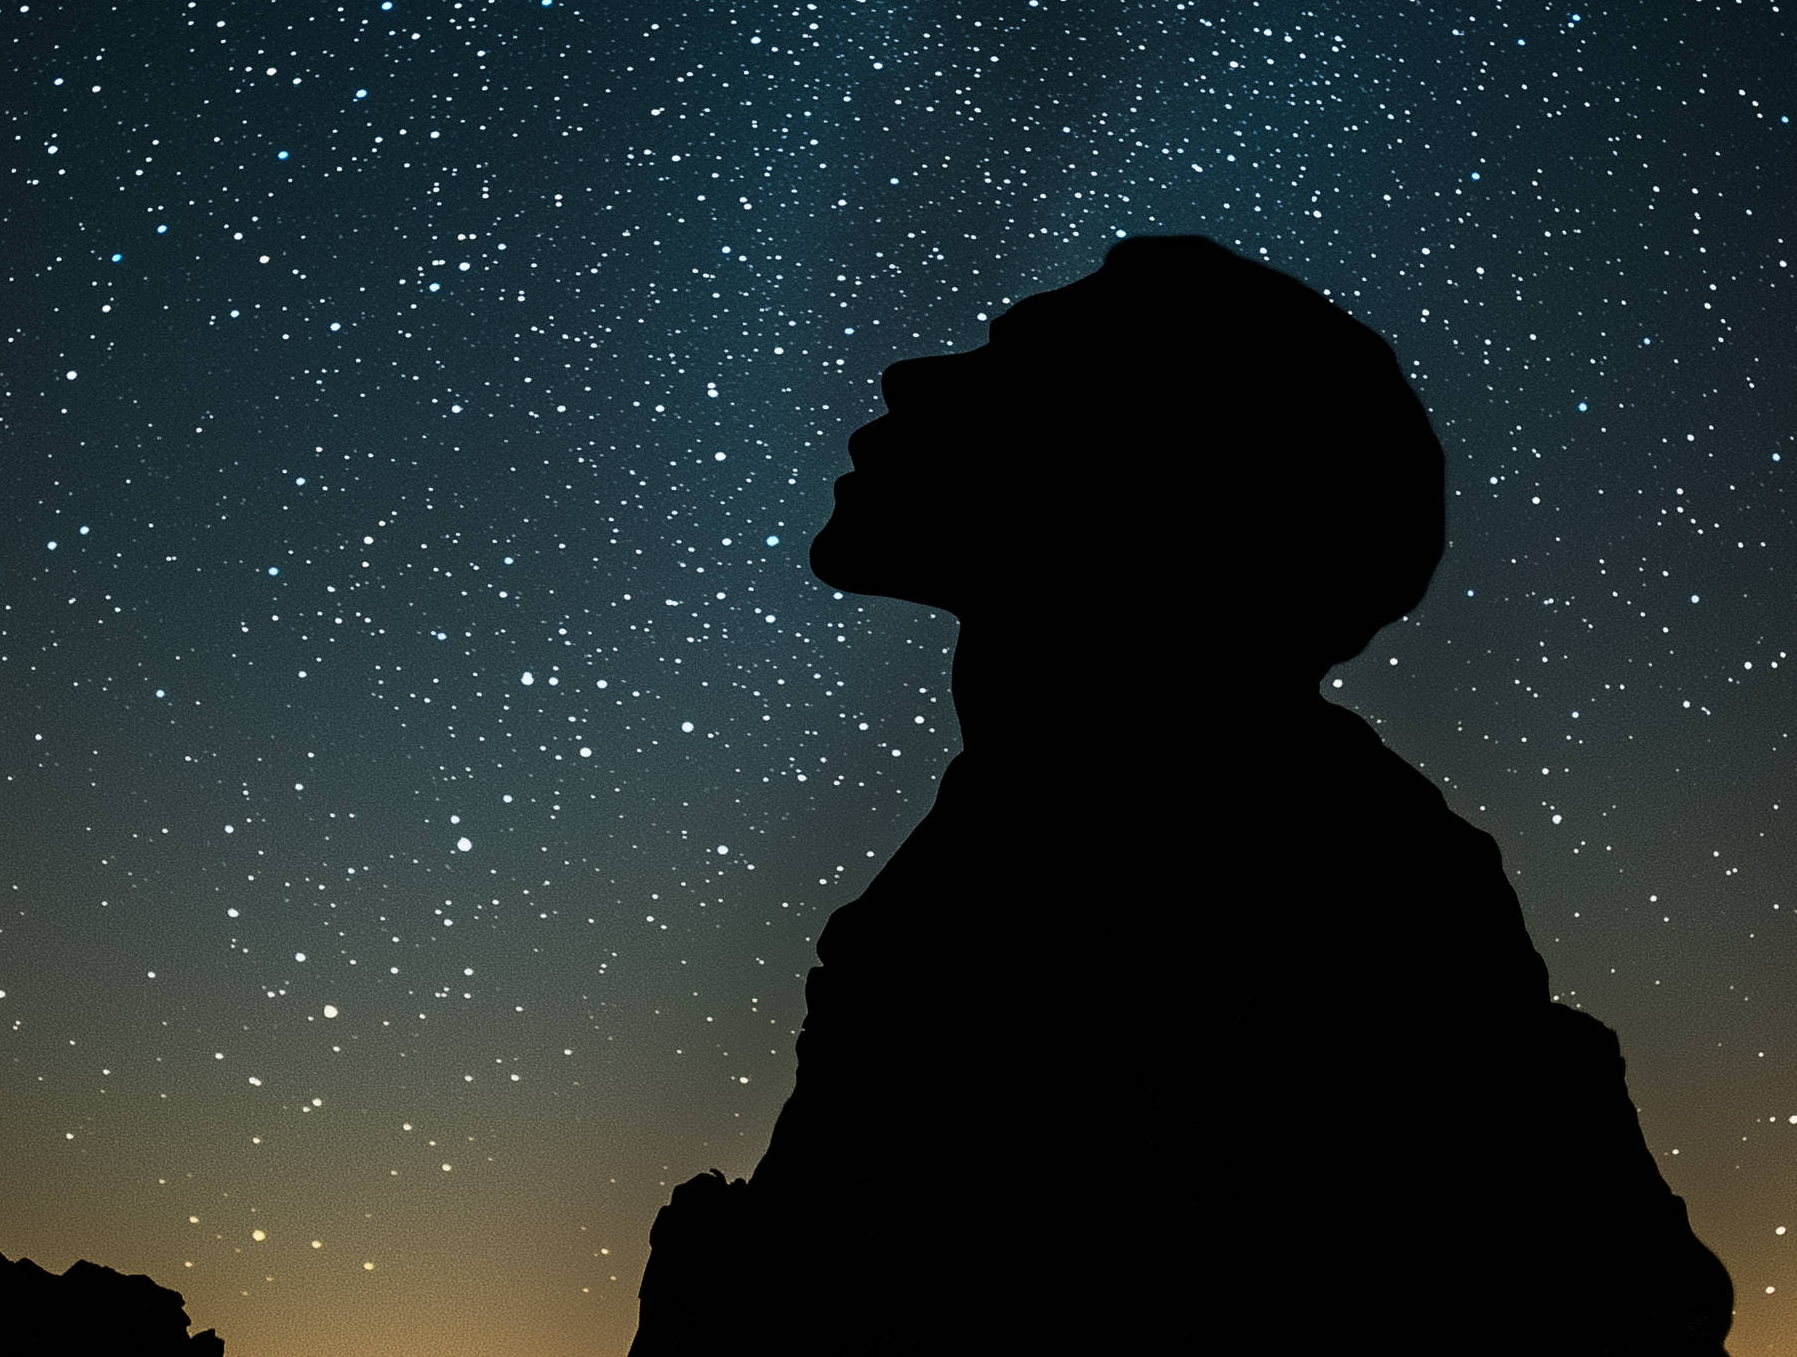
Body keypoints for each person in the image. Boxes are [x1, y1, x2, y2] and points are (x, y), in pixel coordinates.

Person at [631, 235, 1732, 1354]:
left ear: (1152, 477)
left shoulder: (1278, 884)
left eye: (1018, 362)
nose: (908, 373)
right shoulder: (1075, 834)